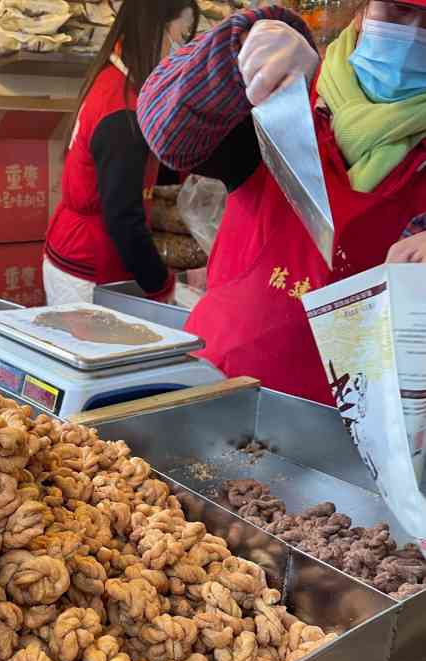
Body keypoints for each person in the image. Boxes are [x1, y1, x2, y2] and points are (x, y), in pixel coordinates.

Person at [137, 0, 426, 405]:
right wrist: (243, 42)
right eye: (397, 12)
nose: (413, 36)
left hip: (357, 437)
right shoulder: (286, 90)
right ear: (361, 12)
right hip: (214, 393)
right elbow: (167, 132)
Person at [43, 0, 198, 305]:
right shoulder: (120, 109)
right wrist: (161, 286)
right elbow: (123, 218)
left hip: (76, 249)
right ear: (155, 30)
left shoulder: (115, 80)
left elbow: (137, 164)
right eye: (182, 36)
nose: (183, 50)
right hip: (90, 265)